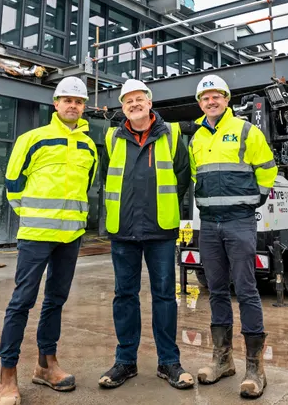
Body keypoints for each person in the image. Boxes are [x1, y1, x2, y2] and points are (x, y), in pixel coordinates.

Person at [0, 76, 97, 405]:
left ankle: (46, 365)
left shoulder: (89, 146)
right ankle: (7, 375)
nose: (73, 105)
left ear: (84, 107)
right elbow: (13, 184)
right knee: (21, 303)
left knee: (55, 301)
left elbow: (87, 186)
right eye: (67, 99)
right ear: (56, 104)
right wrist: (33, 216)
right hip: (36, 236)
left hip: (71, 238)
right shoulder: (33, 139)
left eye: (78, 101)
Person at [98, 79, 195, 391]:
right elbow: (106, 177)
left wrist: (163, 208)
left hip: (161, 229)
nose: (134, 104)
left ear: (150, 103)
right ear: (122, 107)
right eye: (128, 101)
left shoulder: (171, 135)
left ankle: (169, 361)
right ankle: (125, 361)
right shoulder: (113, 138)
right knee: (124, 296)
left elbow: (183, 177)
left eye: (139, 99)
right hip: (123, 230)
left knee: (165, 296)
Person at [190, 74, 277, 399]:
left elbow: (267, 167)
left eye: (216, 96)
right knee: (215, 291)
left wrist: (257, 197)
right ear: (200, 104)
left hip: (240, 222)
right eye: (205, 98)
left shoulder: (245, 131)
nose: (211, 102)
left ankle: (255, 368)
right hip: (209, 224)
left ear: (226, 100)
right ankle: (222, 359)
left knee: (246, 289)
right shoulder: (196, 137)